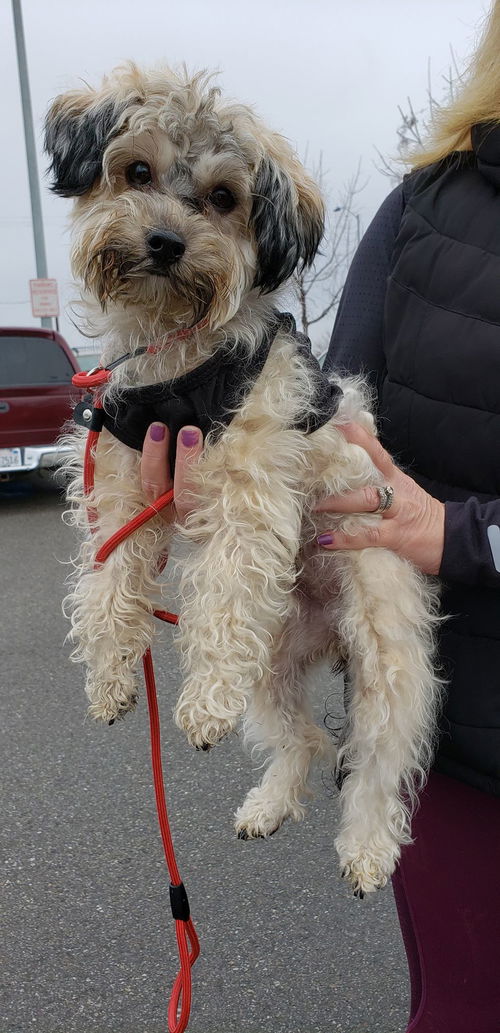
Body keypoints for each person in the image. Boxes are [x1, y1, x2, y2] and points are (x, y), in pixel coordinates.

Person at [139, 4, 500, 1027]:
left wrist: (468, 534)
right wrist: (224, 494)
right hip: (472, 729)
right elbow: (326, 410)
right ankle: (316, 768)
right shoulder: (424, 209)